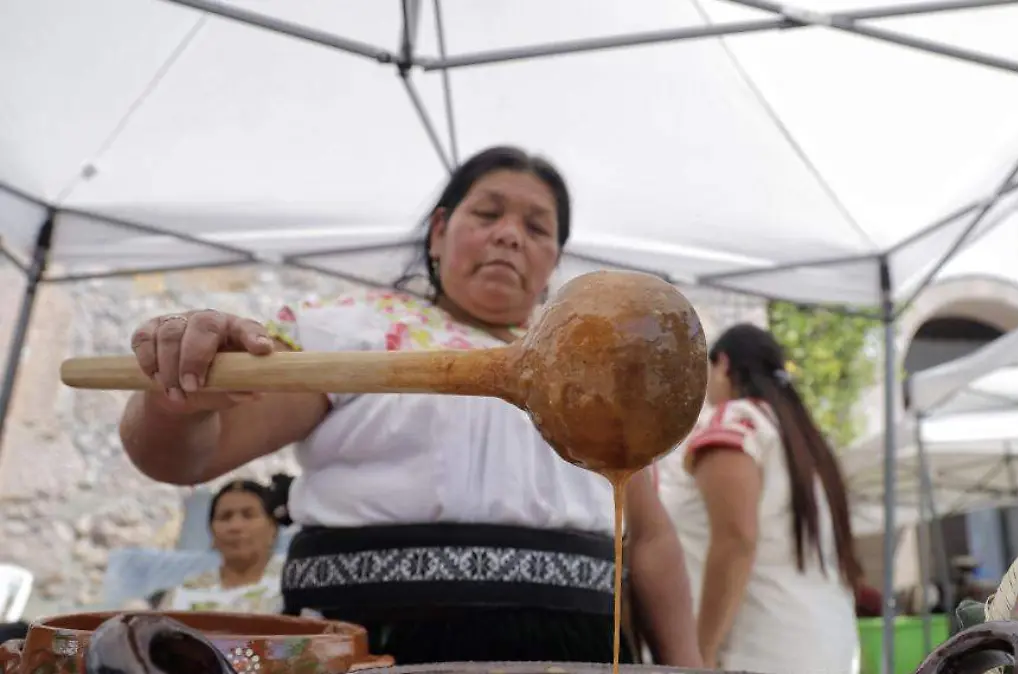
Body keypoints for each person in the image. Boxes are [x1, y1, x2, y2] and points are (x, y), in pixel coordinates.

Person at [117, 146, 702, 667]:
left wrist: (688, 665)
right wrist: (179, 396)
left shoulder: (598, 373)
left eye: (537, 227)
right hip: (378, 642)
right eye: (488, 213)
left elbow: (649, 539)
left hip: (577, 646)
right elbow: (186, 459)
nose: (509, 235)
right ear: (439, 232)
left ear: (554, 260)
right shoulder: (348, 335)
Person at [657, 323, 862, 674]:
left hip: (763, 645)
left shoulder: (737, 420)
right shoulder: (809, 443)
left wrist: (700, 652)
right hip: (833, 642)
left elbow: (736, 538)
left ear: (722, 363)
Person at [158, 478, 287, 614]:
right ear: (211, 531)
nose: (235, 526)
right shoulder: (185, 592)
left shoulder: (293, 584)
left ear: (273, 527)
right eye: (225, 517)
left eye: (248, 515)